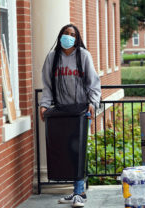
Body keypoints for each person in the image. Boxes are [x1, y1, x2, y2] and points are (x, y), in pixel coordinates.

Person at [39, 23, 101, 207]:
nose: (69, 37)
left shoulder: (83, 55)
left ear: (77, 37)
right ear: (60, 36)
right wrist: (44, 105)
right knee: (66, 151)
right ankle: (76, 191)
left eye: (72, 34)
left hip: (80, 111)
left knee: (77, 150)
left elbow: (93, 83)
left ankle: (79, 193)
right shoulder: (52, 57)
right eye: (66, 33)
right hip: (61, 112)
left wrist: (93, 103)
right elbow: (48, 85)